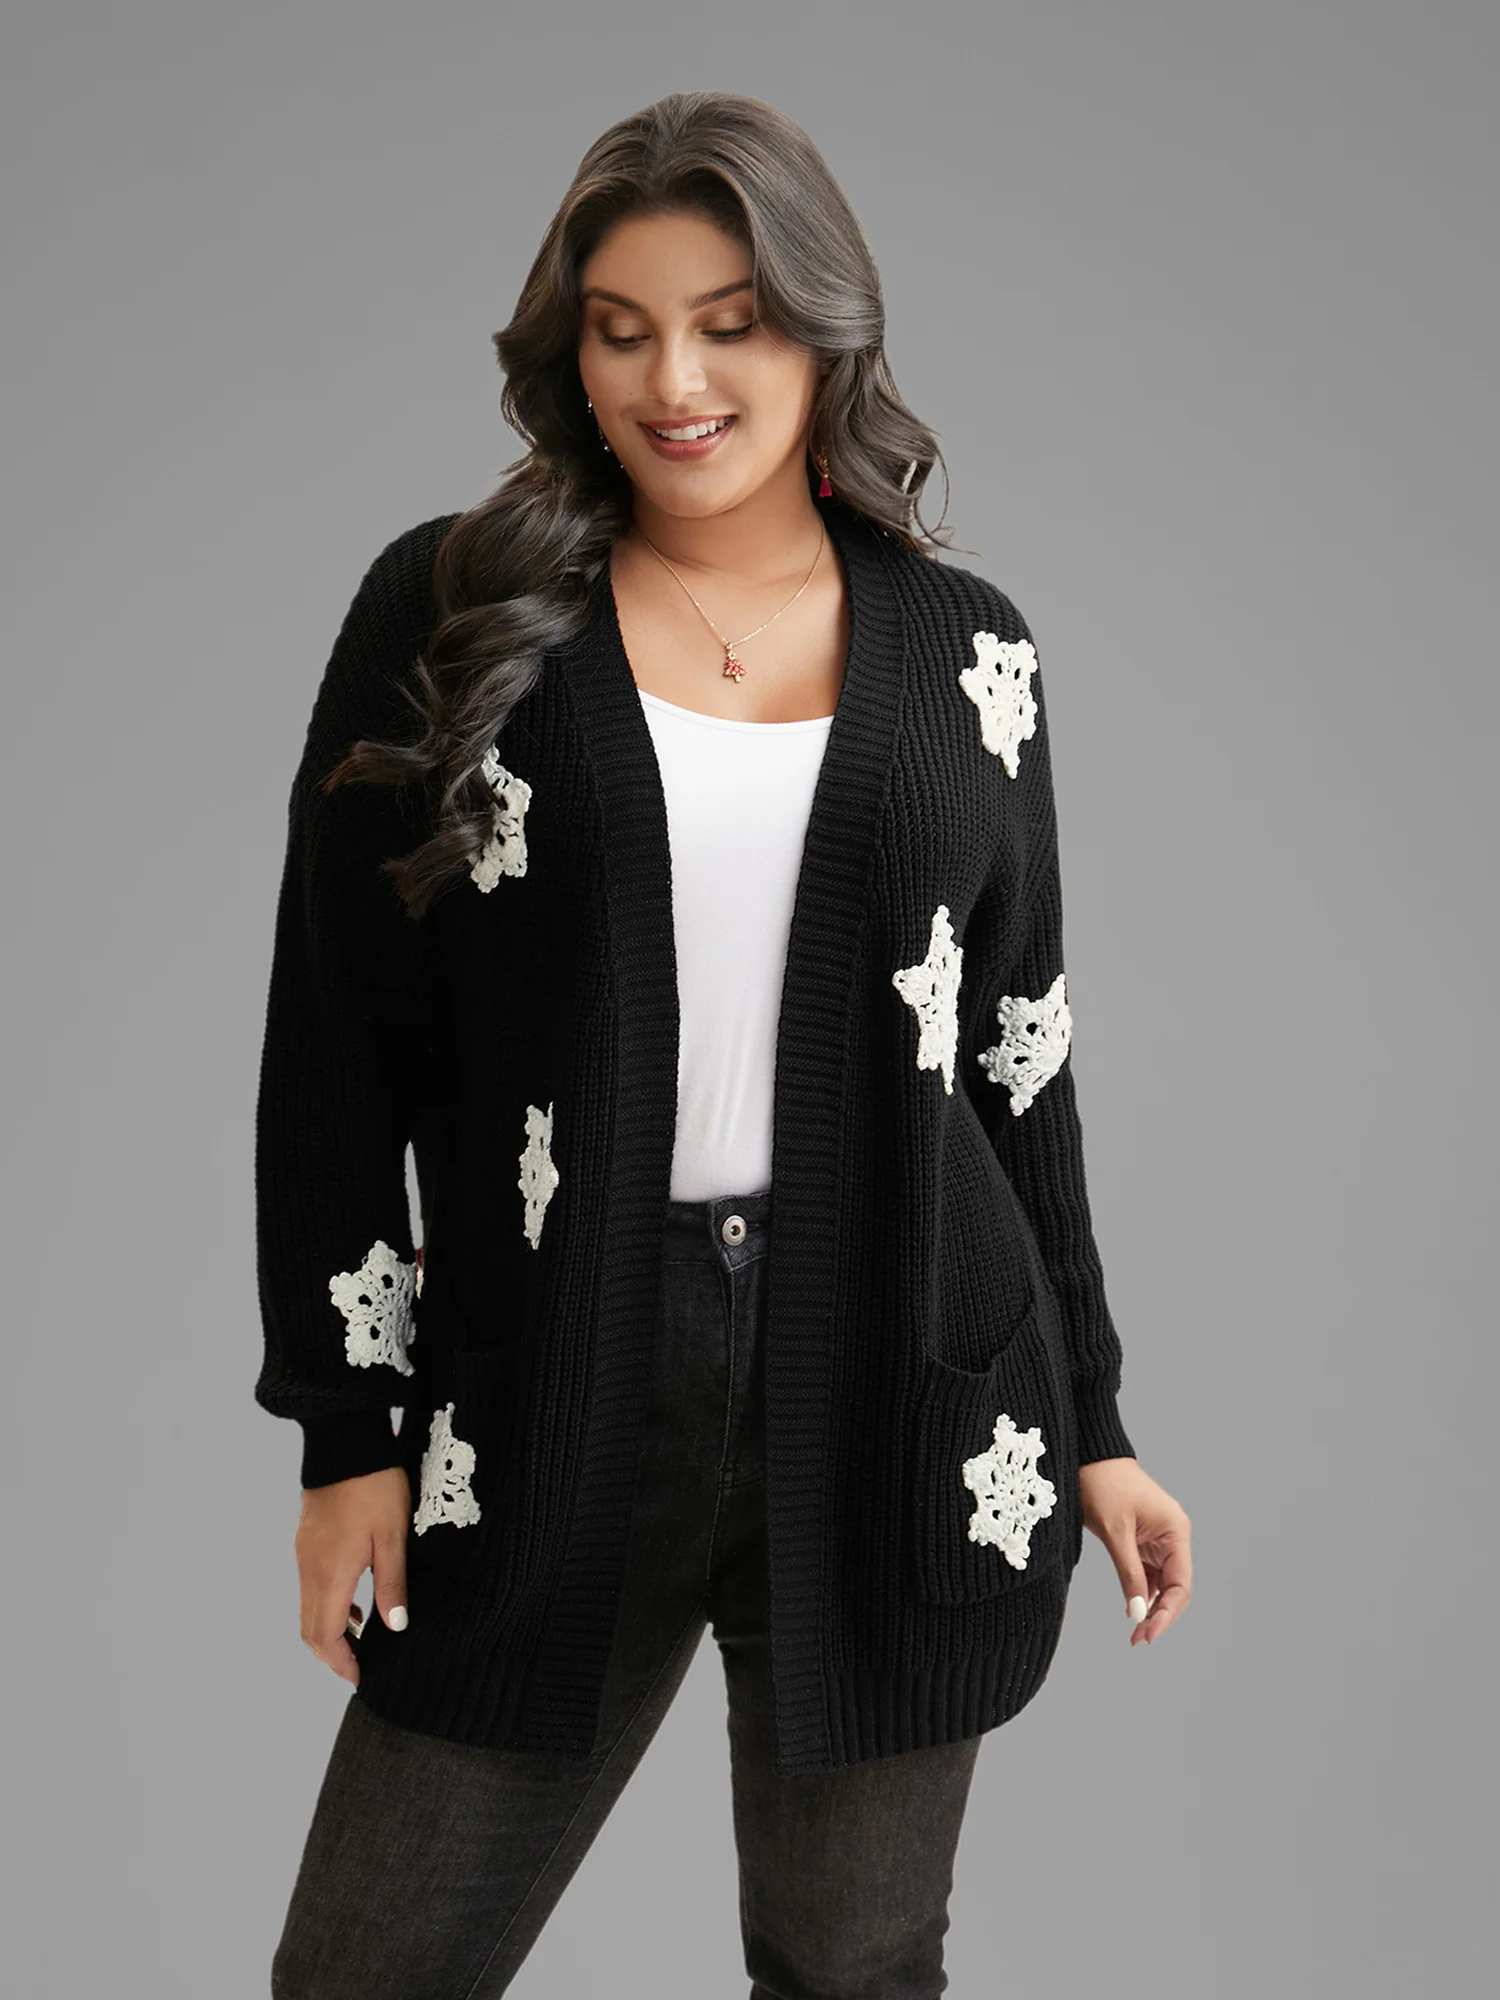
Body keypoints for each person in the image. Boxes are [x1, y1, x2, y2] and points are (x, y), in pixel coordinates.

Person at [258, 89, 1192, 2000]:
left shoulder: (972, 654)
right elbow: (338, 1037)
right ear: (572, 350)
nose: (673, 381)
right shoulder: (456, 607)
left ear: (824, 331)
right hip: (557, 1359)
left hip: (908, 1363)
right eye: (622, 330)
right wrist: (347, 1434)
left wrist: (1094, 1422)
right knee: (367, 1970)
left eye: (730, 323)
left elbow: (1020, 1059)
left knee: (857, 1968)